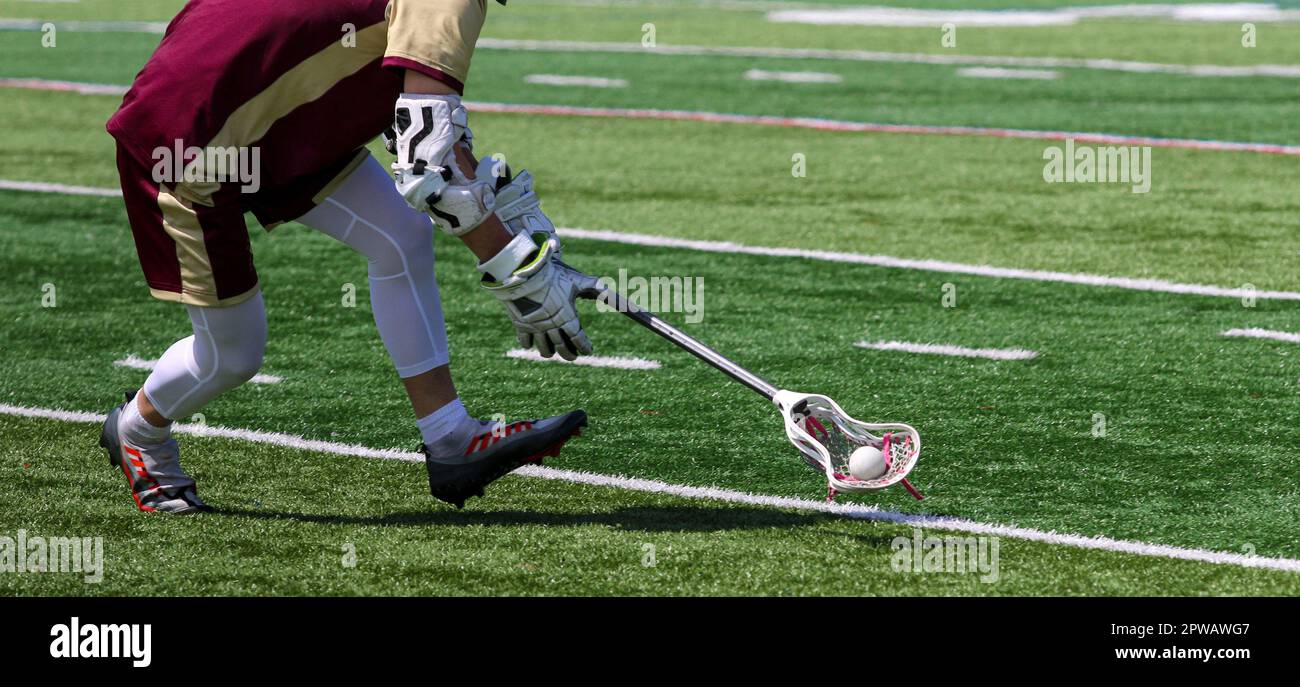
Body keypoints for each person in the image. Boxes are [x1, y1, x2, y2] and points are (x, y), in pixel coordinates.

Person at [99, 0, 595, 513]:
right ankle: (139, 430)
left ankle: (450, 438)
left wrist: (507, 229)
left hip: (259, 107)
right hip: (192, 137)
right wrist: (518, 270)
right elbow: (433, 170)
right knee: (233, 353)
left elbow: (415, 123)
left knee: (400, 238)